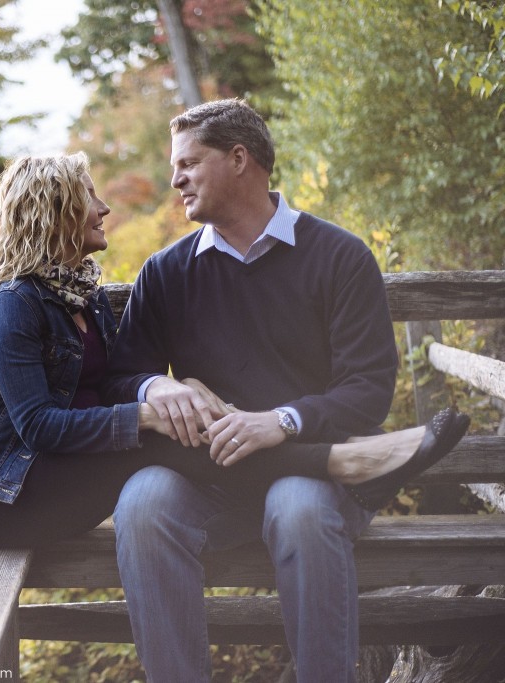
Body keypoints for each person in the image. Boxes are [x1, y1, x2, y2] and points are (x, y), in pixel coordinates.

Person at [0, 150, 468, 555]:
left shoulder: (83, 297)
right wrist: (150, 414)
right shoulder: (13, 305)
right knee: (155, 442)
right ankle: (346, 462)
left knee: (173, 427)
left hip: (59, 473)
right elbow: (39, 426)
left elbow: (105, 385)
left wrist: (182, 390)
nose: (104, 208)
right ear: (52, 212)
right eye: (88, 197)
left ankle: (345, 463)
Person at [105, 98, 470, 683]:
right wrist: (154, 386)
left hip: (315, 484)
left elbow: (369, 390)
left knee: (295, 505)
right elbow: (122, 374)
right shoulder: (166, 273)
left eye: (189, 163)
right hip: (211, 478)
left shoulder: (340, 257)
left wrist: (282, 420)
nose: (174, 179)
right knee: (144, 500)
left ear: (240, 159)